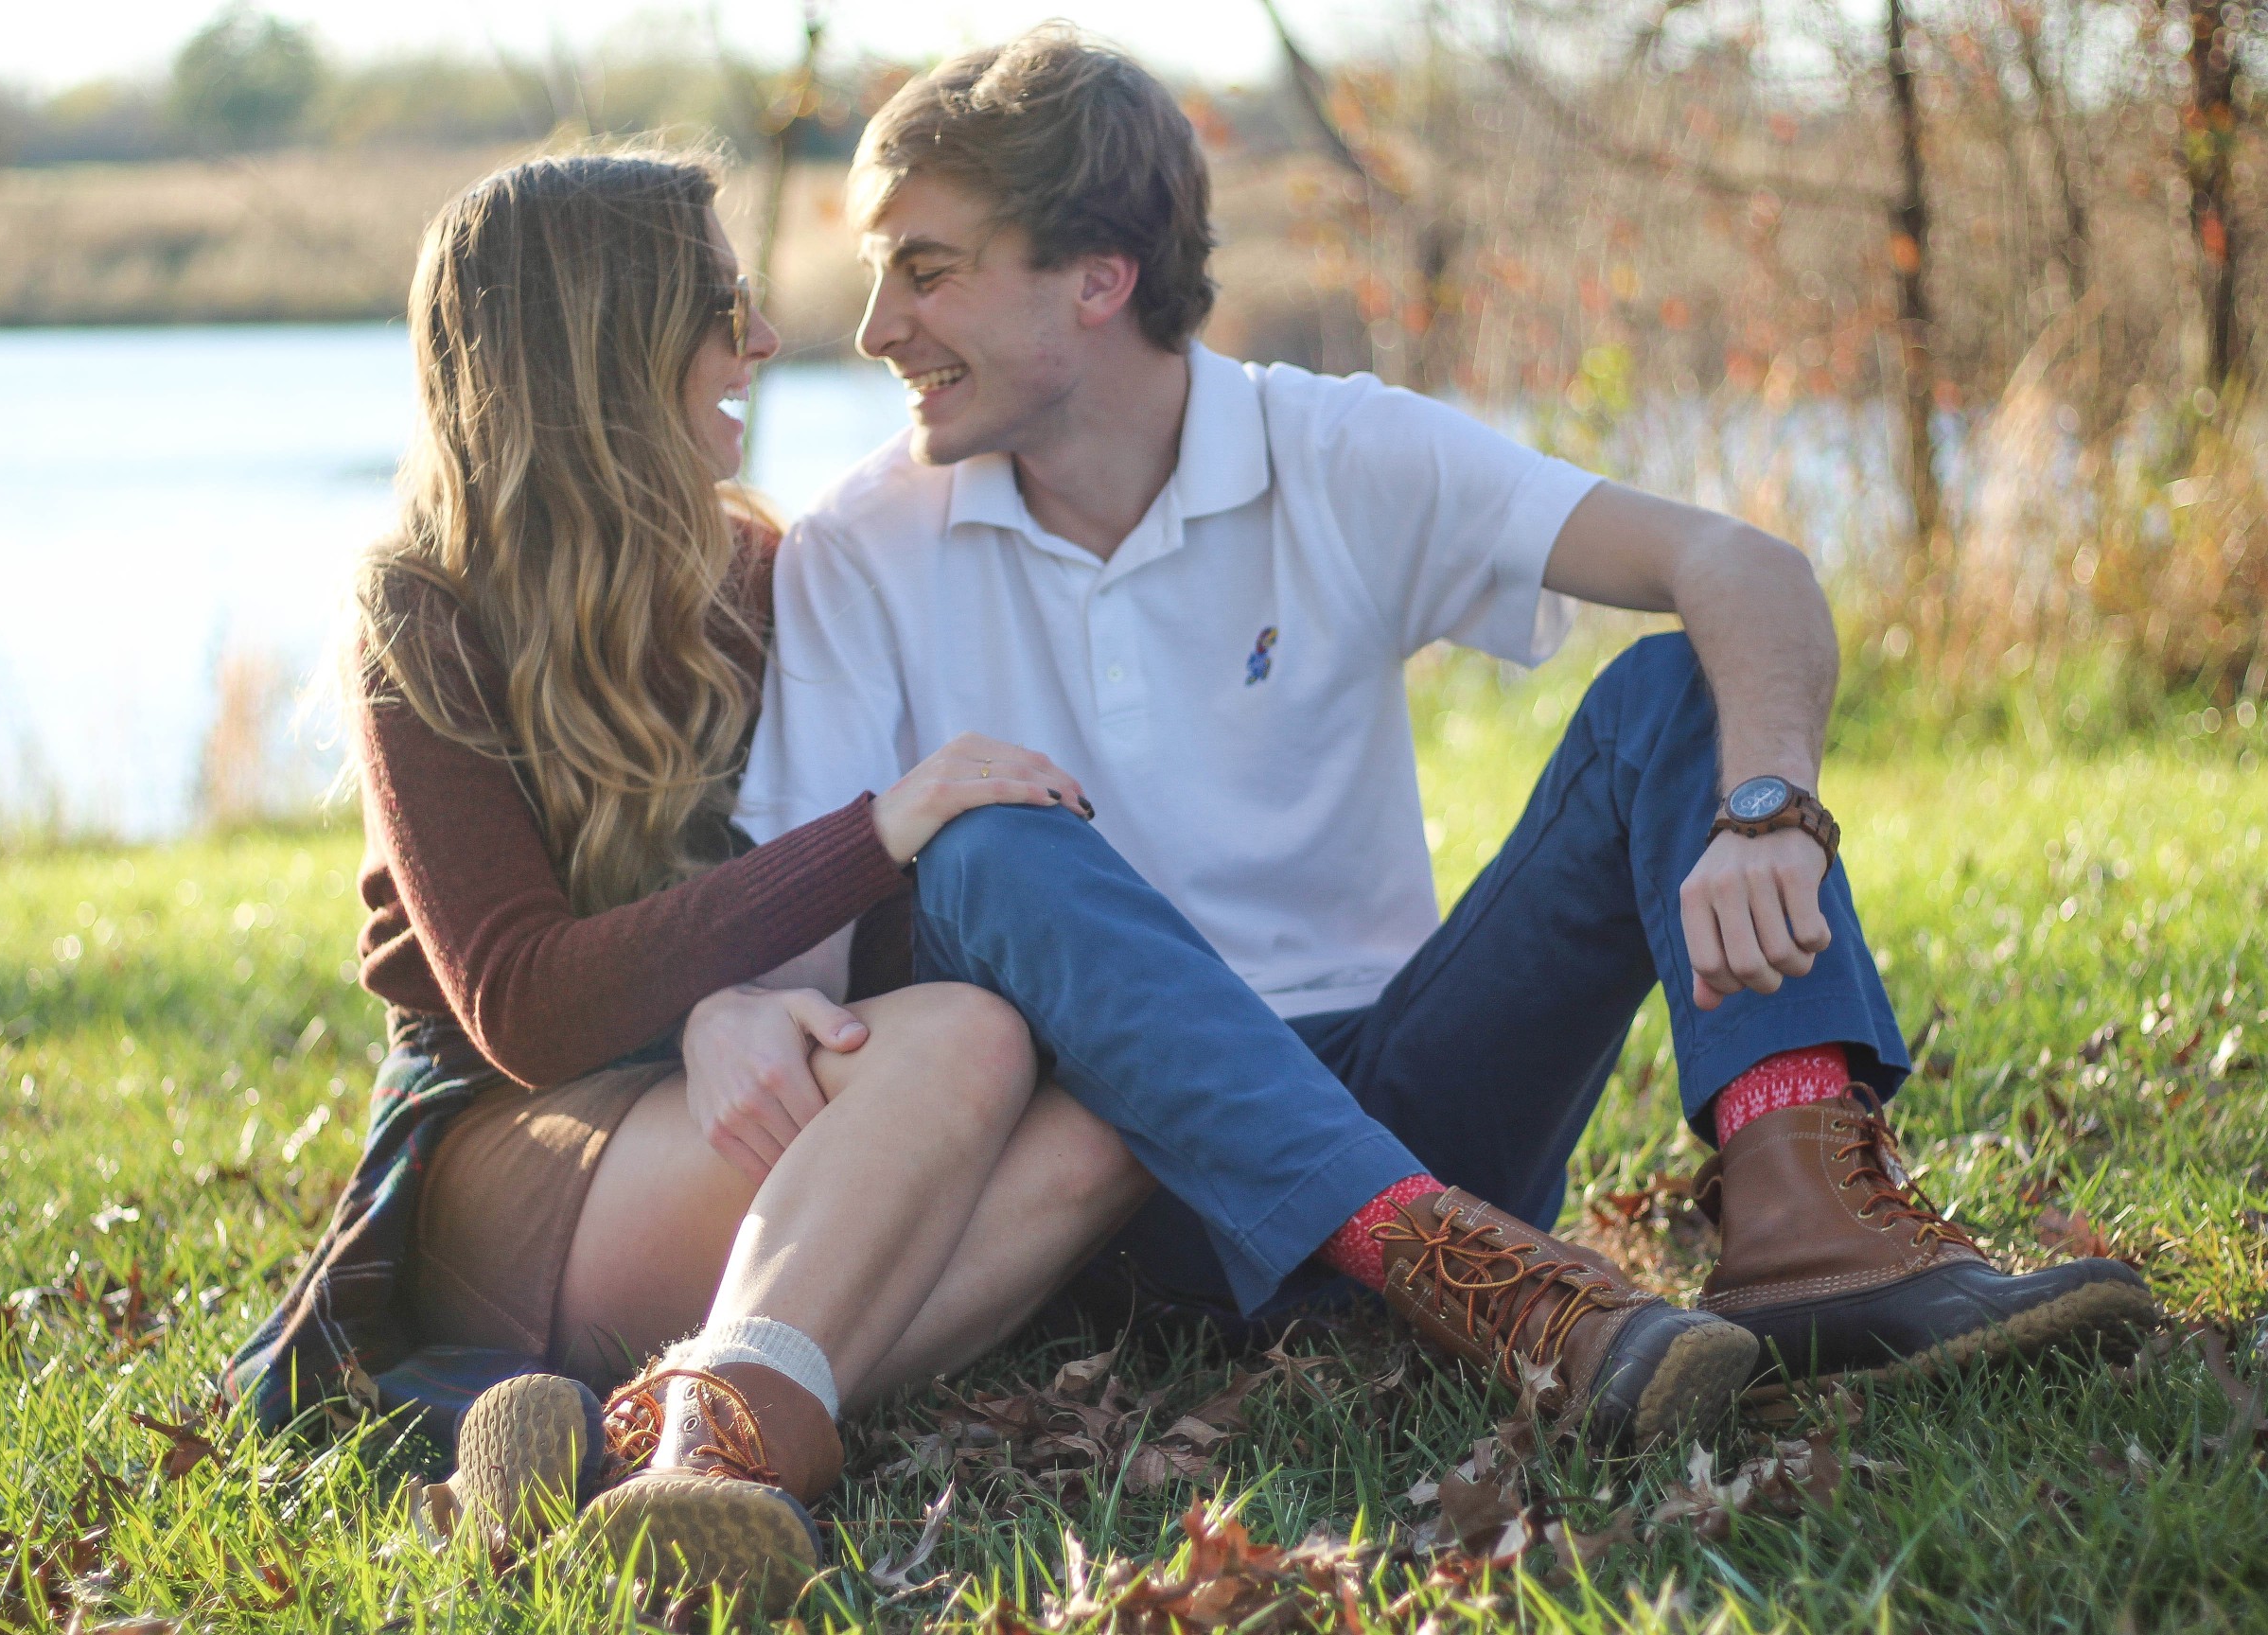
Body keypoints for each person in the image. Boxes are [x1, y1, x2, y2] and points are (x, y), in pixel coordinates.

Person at [735, 26, 2159, 1426]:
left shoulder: (1336, 451)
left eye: (927, 273)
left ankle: (1814, 1239)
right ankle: (1459, 1275)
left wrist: (1766, 810)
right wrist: (724, 1023)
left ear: (1099, 276)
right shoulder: (859, 547)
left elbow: (1741, 565)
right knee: (987, 844)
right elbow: (798, 957)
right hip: (1128, 1179)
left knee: (1671, 695)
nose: (874, 333)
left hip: (1419, 1105)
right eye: (877, 278)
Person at [223, 149, 1157, 1607]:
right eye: (721, 308)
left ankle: (632, 1440)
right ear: (605, 340)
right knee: (969, 1047)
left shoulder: (753, 568)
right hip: (517, 1139)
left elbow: (813, 924)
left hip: (715, 1100)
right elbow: (521, 1003)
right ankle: (713, 1451)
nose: (767, 341)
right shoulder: (420, 606)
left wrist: (753, 989)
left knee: (1105, 1126)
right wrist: (872, 834)